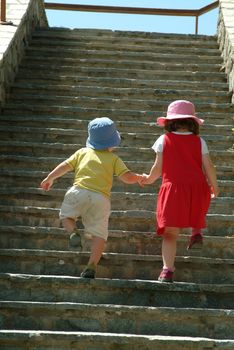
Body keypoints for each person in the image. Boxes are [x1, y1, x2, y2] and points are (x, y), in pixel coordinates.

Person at [40, 117, 143, 279]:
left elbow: (64, 166)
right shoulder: (114, 159)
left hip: (77, 192)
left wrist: (49, 178)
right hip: (100, 199)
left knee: (66, 216)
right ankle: (91, 265)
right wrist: (138, 177)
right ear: (113, 142)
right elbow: (127, 178)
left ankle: (73, 232)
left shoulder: (82, 152)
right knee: (100, 235)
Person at [139, 100, 220, 283]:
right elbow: (209, 166)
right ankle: (196, 231)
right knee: (195, 210)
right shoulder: (200, 141)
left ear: (170, 122)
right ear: (192, 122)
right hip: (198, 187)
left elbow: (157, 169)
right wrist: (215, 185)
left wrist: (148, 179)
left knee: (170, 233)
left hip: (174, 187)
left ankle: (167, 270)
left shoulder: (164, 140)